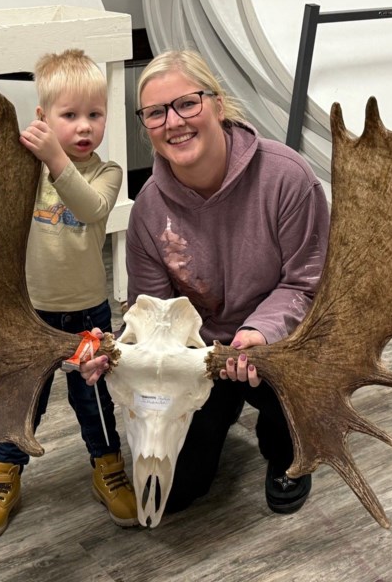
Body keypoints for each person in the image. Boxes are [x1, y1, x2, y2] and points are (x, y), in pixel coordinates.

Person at [81, 49, 330, 515]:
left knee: (289, 393)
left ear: (216, 104)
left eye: (186, 104)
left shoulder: (288, 178)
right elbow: (151, 312)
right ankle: (224, 404)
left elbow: (305, 283)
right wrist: (118, 352)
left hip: (278, 343)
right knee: (173, 495)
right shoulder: (149, 211)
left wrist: (259, 335)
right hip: (199, 356)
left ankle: (287, 452)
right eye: (155, 113)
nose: (173, 122)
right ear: (146, 126)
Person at [0, 48, 136, 537]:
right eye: (68, 115)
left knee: (92, 400)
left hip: (87, 314)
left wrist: (55, 159)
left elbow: (92, 208)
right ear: (42, 118)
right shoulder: (28, 168)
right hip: (27, 315)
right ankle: (4, 476)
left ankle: (107, 467)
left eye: (94, 114)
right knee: (19, 400)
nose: (83, 126)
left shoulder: (108, 172)